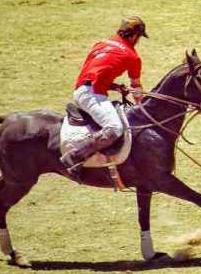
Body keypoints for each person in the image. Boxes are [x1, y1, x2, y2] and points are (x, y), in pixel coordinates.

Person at [60, 17, 147, 172]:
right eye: (139, 37)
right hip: (93, 95)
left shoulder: (101, 44)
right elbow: (136, 85)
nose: (138, 41)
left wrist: (115, 86)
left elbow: (92, 73)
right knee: (114, 128)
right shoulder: (132, 56)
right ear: (133, 35)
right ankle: (74, 156)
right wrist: (141, 107)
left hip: (82, 90)